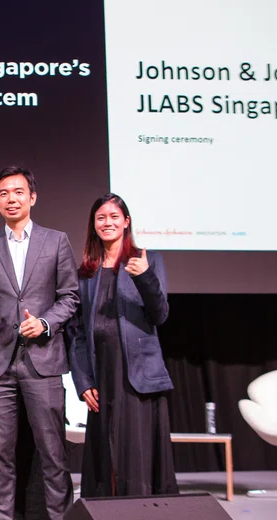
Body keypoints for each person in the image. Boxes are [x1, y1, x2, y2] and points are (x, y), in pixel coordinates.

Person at [0, 167, 79, 520]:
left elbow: (70, 297)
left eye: (18, 191)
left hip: (43, 361)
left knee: (52, 449)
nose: (11, 198)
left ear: (32, 197)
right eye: (3, 193)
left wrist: (45, 323)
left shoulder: (56, 241)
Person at [68, 193, 178, 497]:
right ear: (94, 225)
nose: (108, 223)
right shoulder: (86, 273)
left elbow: (160, 314)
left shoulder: (147, 260)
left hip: (137, 374)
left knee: (136, 454)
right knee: (105, 455)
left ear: (126, 222)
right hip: (100, 373)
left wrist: (144, 278)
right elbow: (76, 332)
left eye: (114, 216)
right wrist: (82, 381)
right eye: (101, 218)